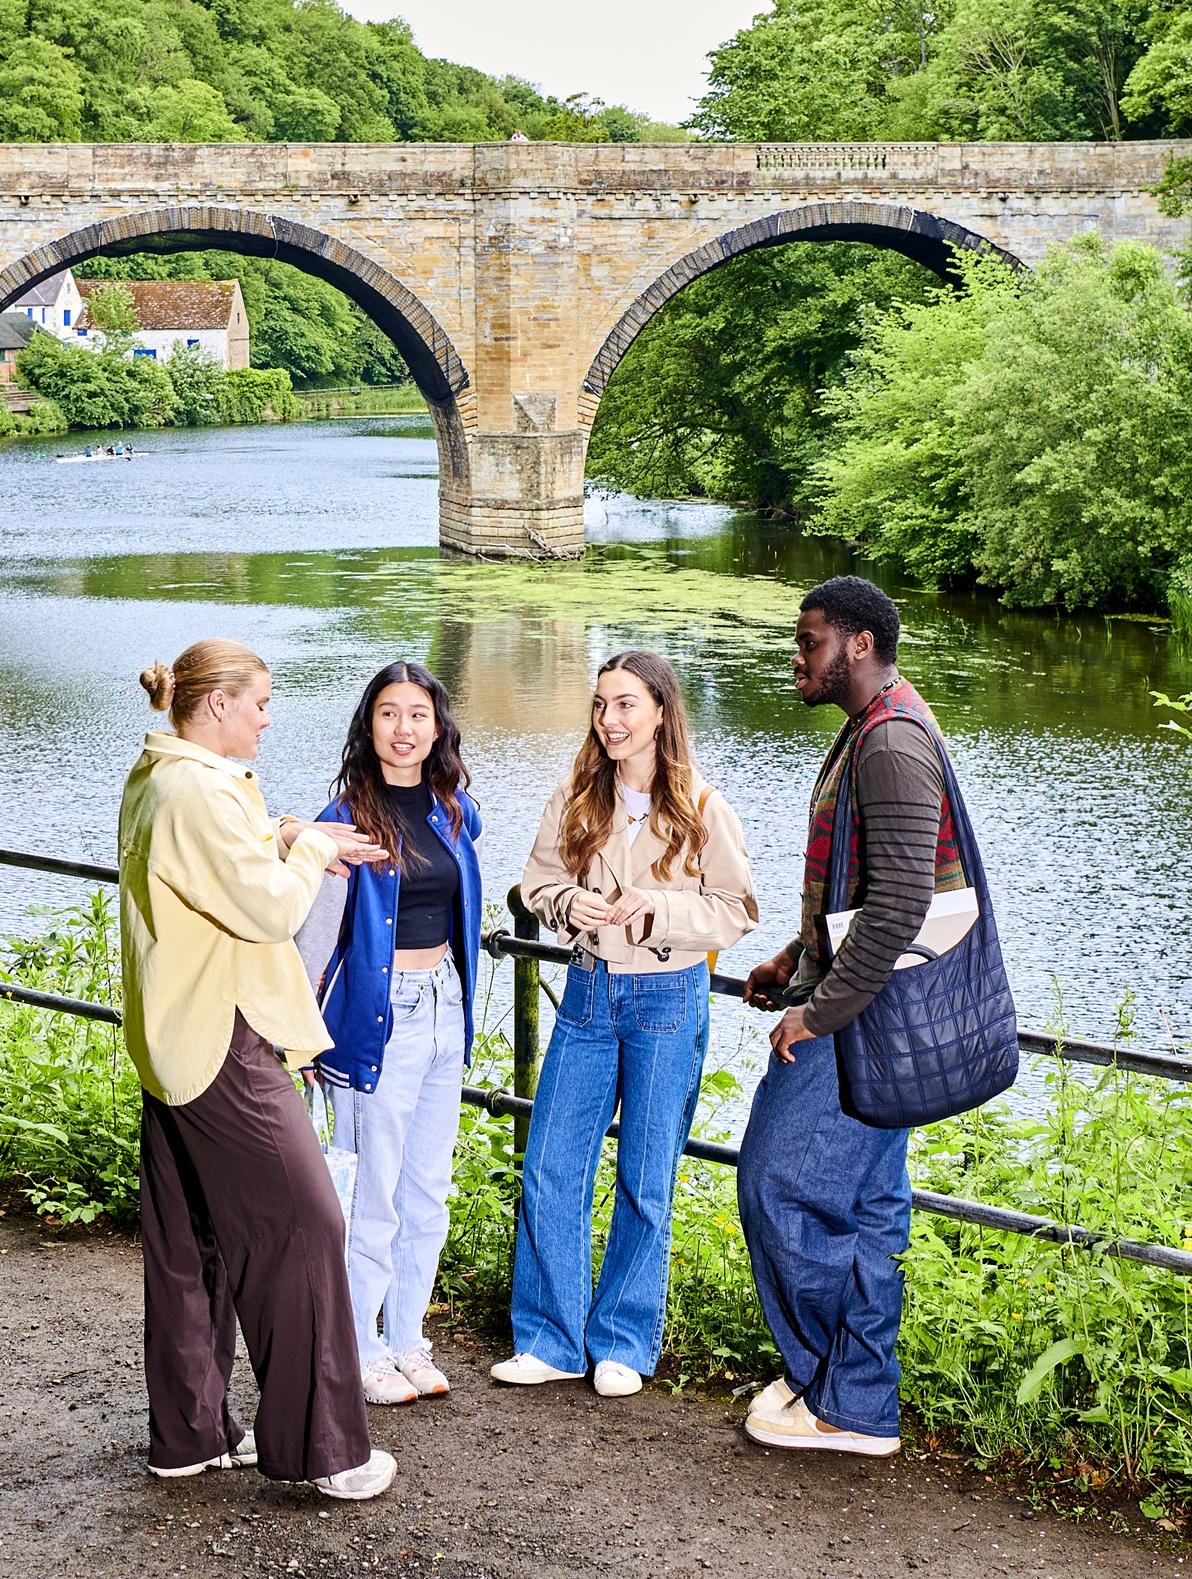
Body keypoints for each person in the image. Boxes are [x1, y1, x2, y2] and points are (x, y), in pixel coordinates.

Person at [118, 638, 400, 1500]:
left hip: (171, 1035)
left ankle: (191, 1434)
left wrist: (290, 830)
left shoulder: (159, 771)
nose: (270, 718)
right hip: (222, 1033)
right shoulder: (198, 789)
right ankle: (326, 1452)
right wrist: (315, 853)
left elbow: (220, 852)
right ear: (217, 707)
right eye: (262, 703)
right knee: (308, 1226)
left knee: (189, 1240)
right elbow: (272, 907)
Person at [497, 650, 758, 1398]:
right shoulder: (577, 796)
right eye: (601, 705)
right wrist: (562, 904)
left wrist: (658, 908)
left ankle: (621, 1340)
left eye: (625, 705)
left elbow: (736, 909)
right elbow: (536, 880)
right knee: (551, 1165)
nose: (609, 720)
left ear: (661, 713)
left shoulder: (703, 807)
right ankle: (550, 1337)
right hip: (585, 993)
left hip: (667, 998)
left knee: (646, 1176)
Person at [734, 576, 952, 1457]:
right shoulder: (876, 724)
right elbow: (864, 885)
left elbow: (899, 904)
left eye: (810, 637)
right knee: (867, 1211)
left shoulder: (892, 742)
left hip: (866, 1020)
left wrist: (815, 1013)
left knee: (774, 1181)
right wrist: (797, 951)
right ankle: (856, 1400)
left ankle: (831, 1376)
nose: (799, 652)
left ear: (857, 645)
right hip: (868, 1003)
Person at [289, 663, 481, 1407]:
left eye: (418, 714)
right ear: (368, 725)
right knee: (373, 1192)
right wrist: (302, 1032)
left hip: (443, 1005)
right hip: (377, 1016)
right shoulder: (341, 819)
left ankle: (406, 1337)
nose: (404, 729)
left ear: (438, 727)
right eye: (389, 713)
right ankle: (360, 1344)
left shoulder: (452, 808)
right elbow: (314, 934)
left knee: (427, 1190)